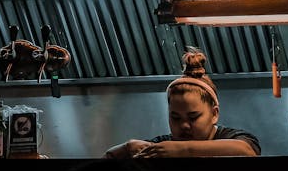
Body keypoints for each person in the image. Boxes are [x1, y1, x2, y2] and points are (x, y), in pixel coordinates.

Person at [106, 48, 259, 158]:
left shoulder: (231, 137)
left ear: (214, 114)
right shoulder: (164, 146)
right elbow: (106, 159)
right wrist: (127, 147)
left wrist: (182, 150)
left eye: (193, 117)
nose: (184, 125)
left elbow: (246, 150)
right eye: (176, 118)